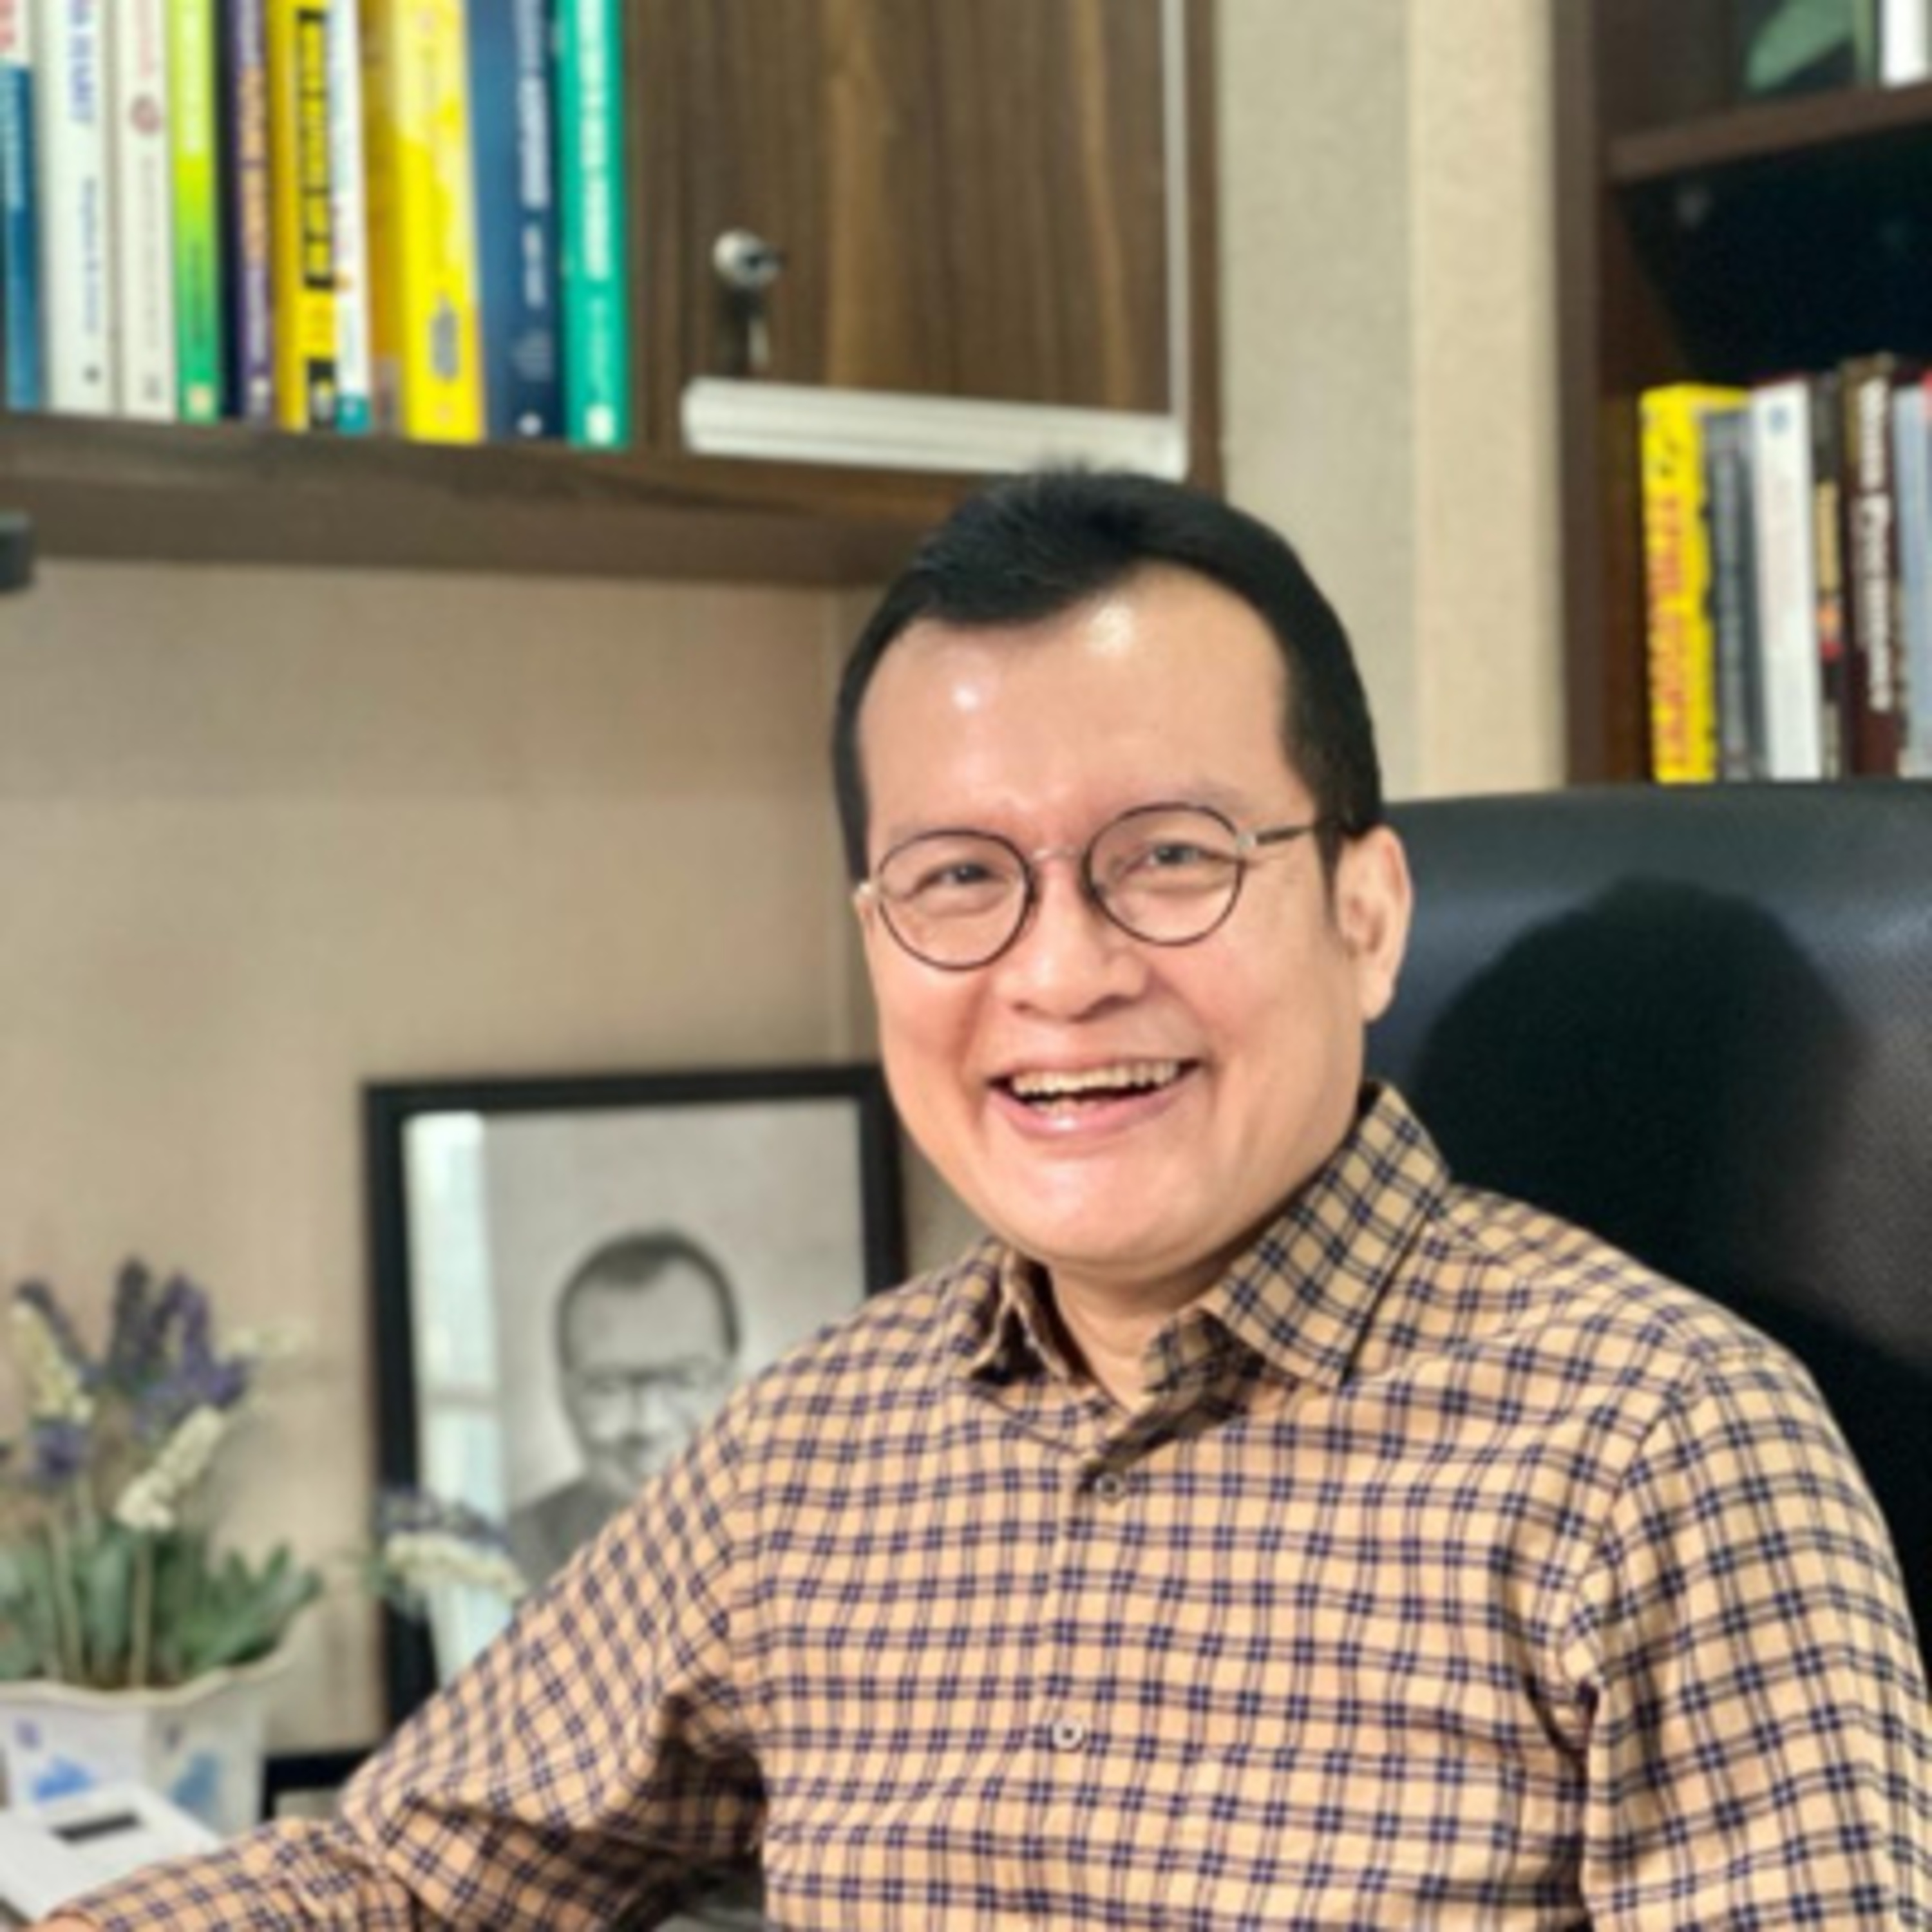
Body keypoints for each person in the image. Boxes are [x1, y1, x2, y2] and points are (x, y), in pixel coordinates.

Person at [44, 471, 1929, 1929]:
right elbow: (404, 1872)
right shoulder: (813, 1447)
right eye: (958, 878)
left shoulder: (1661, 1452)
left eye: (1166, 857)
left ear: (1363, 912)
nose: (1056, 973)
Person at [507, 1228, 742, 1586]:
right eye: (607, 1386)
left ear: (736, 1387)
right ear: (566, 1397)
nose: (649, 1423)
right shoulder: (504, 1559)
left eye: (684, 1379)